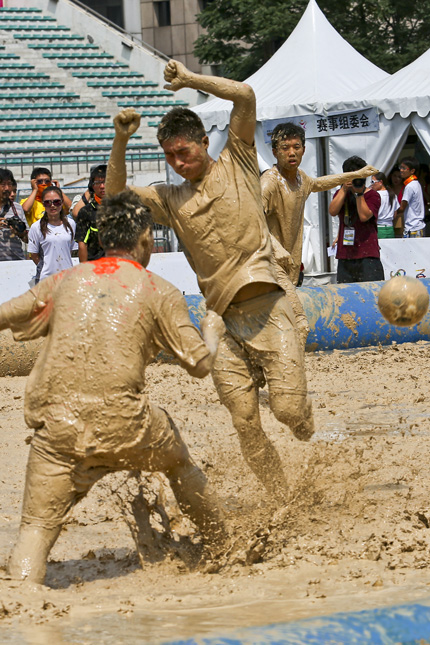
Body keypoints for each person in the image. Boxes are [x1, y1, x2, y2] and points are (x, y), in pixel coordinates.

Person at [0, 191, 227, 585]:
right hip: (128, 423)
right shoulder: (159, 290)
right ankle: (224, 544)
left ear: (102, 239)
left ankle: (21, 591)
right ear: (146, 240)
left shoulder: (63, 282)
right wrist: (212, 332)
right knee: (179, 464)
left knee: (35, 529)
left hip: (57, 429)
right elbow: (200, 365)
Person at [106, 60, 314, 499]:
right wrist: (121, 140)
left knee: (288, 412)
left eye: (184, 152)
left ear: (204, 141)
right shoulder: (169, 199)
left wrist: (189, 81)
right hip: (221, 321)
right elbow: (115, 195)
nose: (178, 163)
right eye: (169, 157)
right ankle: (283, 498)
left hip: (270, 306)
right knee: (244, 420)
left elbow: (245, 95)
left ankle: (303, 416)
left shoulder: (238, 159)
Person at [260, 122, 376, 285]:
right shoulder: (269, 183)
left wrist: (355, 174)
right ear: (275, 152)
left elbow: (318, 183)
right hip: (271, 263)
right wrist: (276, 248)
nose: (291, 153)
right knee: (290, 300)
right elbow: (252, 221)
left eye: (296, 147)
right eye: (285, 148)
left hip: (291, 264)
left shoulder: (301, 178)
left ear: (303, 150)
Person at [328, 155, 383, 283]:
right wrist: (344, 189)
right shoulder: (341, 194)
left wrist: (359, 193)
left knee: (371, 292)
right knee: (346, 293)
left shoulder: (373, 195)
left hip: (367, 254)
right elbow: (332, 211)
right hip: (345, 254)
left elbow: (364, 216)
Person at [27, 186, 77, 282]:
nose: (52, 206)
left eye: (56, 202)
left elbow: (70, 250)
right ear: (43, 204)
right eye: (48, 202)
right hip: (46, 279)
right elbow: (34, 254)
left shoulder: (71, 224)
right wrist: (46, 268)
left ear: (62, 202)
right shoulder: (36, 227)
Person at [75, 165, 107, 263]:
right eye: (98, 183)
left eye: (106, 182)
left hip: (118, 266)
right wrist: (85, 269)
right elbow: (82, 245)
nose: (102, 186)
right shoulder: (86, 212)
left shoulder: (122, 209)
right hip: (94, 266)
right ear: (92, 186)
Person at [395, 157, 426, 238]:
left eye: (404, 168)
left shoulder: (409, 186)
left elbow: (402, 208)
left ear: (412, 171)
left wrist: (391, 212)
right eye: (400, 167)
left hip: (413, 227)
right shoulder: (416, 183)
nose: (401, 170)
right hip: (417, 226)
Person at [372, 172, 398, 239]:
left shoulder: (375, 195)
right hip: (390, 228)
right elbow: (395, 214)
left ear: (380, 182)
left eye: (373, 182)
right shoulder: (393, 195)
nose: (371, 184)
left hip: (378, 228)